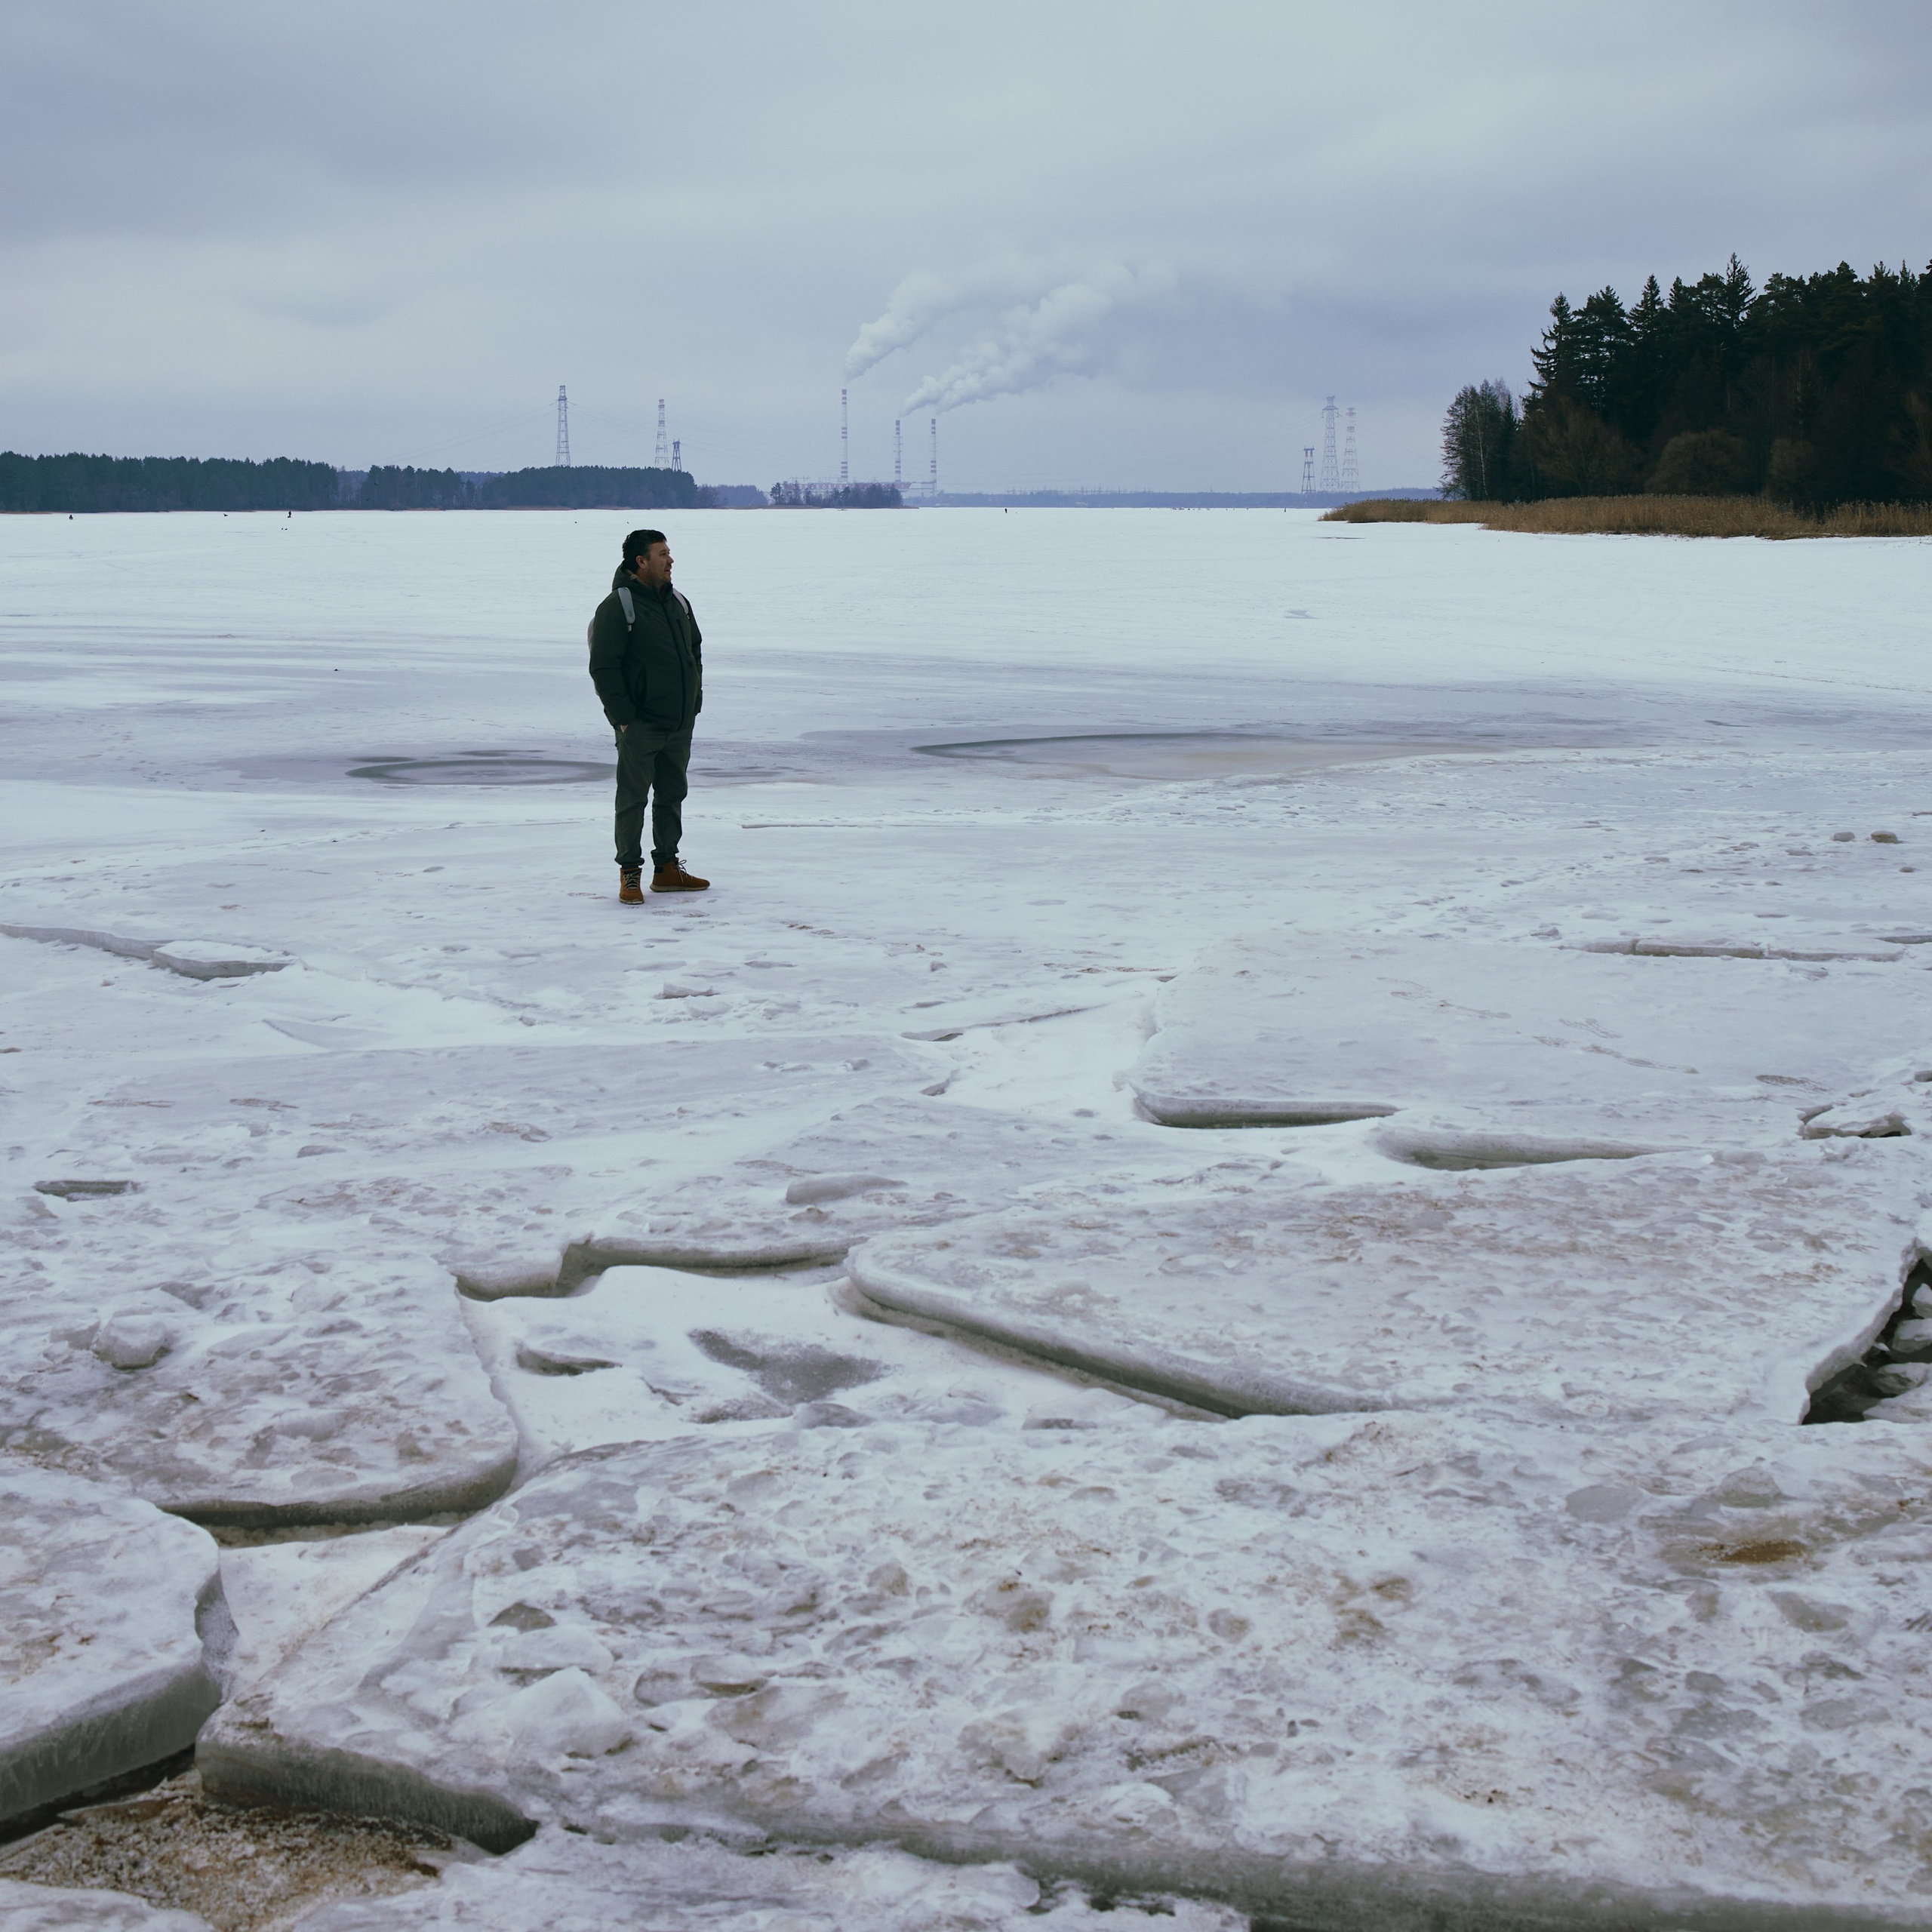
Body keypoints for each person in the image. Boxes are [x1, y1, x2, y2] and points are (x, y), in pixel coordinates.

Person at [587, 529, 710, 903]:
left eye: (669, 553)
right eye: (662, 554)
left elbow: (695, 651)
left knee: (672, 795)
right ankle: (629, 873)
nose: (670, 560)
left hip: (678, 722)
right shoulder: (617, 606)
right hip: (640, 724)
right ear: (641, 561)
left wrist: (693, 702)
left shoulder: (677, 601)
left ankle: (667, 869)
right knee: (632, 800)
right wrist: (624, 718)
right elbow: (604, 668)